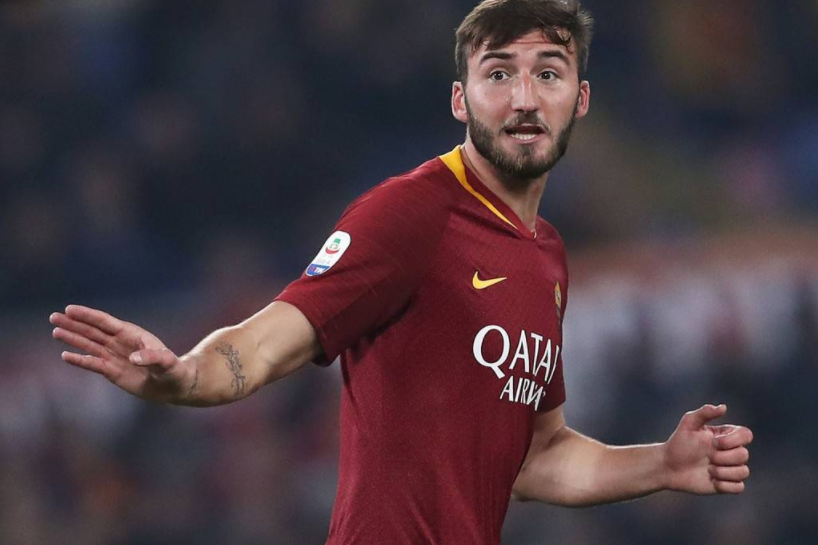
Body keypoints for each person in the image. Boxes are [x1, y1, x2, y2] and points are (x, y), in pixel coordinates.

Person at [50, 1, 753, 543]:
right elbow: (266, 341)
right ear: (460, 100)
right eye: (498, 73)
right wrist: (185, 377)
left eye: (548, 73)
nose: (524, 98)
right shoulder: (412, 212)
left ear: (581, 98)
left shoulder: (548, 255)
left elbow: (538, 457)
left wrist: (662, 465)